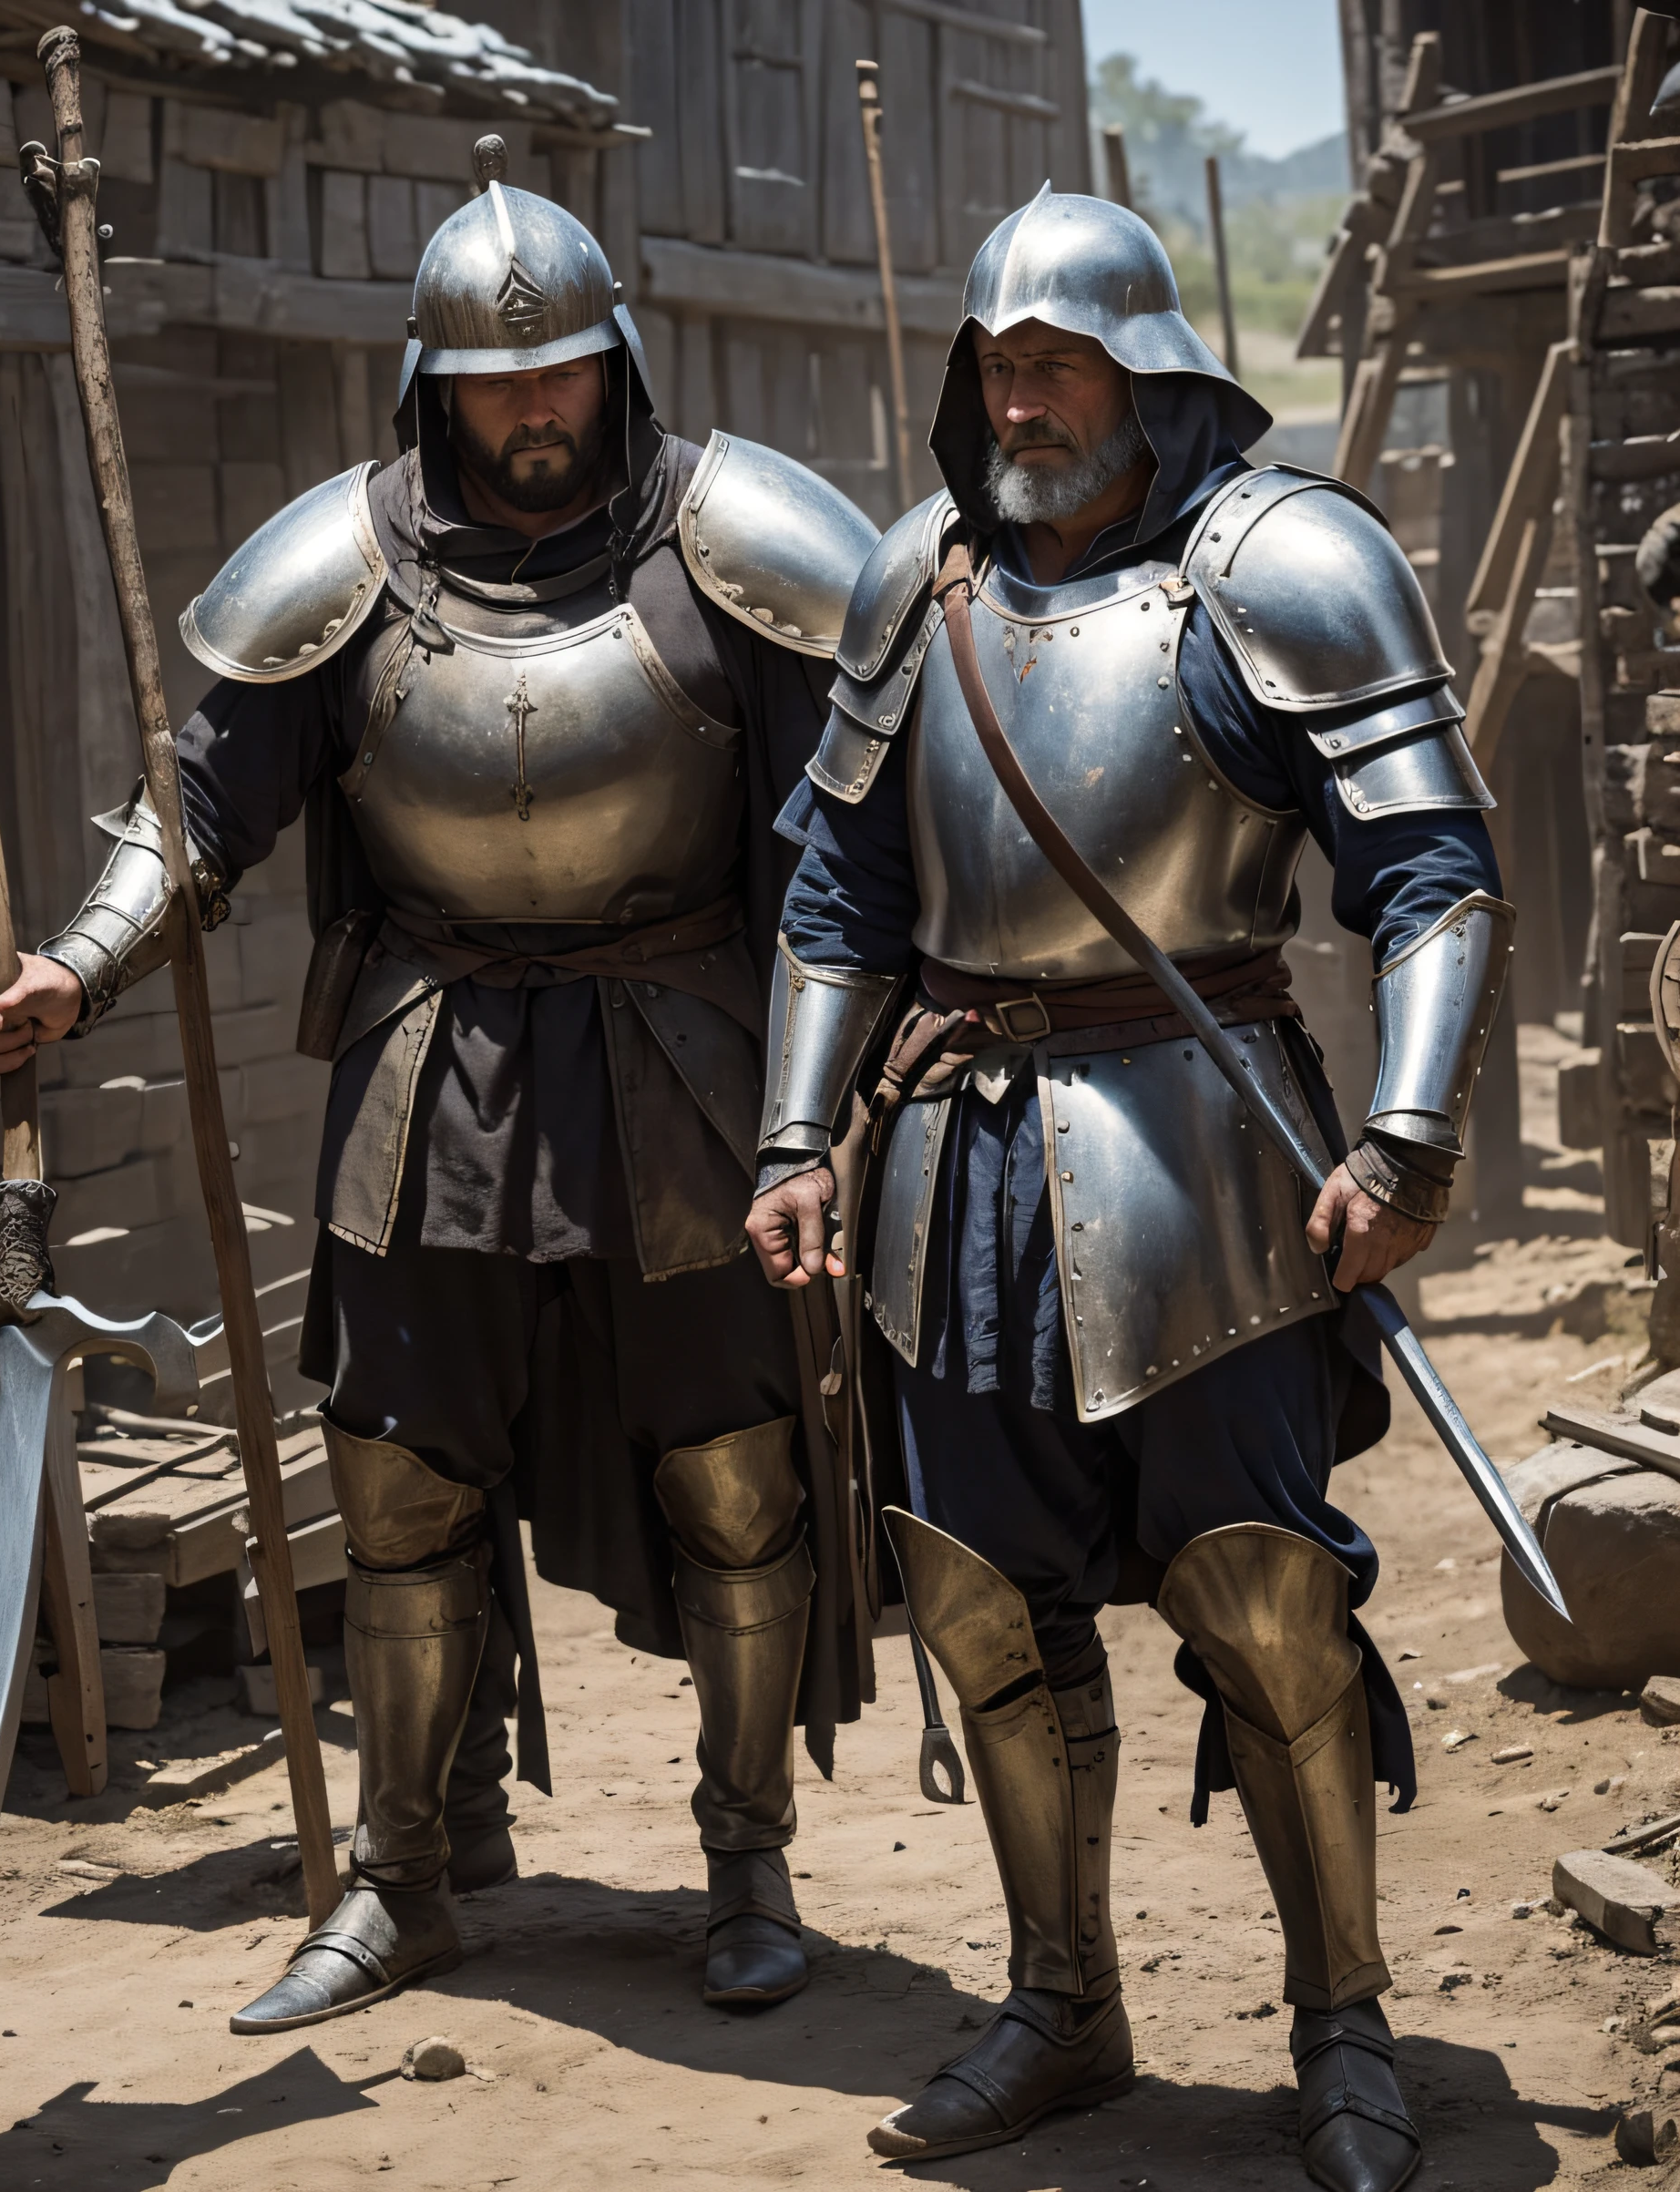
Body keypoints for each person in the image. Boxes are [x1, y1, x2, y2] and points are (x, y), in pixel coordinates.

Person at [0, 138, 880, 2031]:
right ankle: (401, 1878)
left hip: (688, 1071)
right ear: (431, 385)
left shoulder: (735, 537)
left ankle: (748, 1863)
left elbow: (852, 824)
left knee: (731, 1473)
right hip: (430, 1077)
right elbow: (201, 800)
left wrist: (841, 1088)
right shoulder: (345, 560)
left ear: (614, 362)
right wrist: (77, 958)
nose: (531, 411)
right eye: (490, 383)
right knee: (394, 1482)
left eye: (557, 376)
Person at [744, 186, 1510, 2192]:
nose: (1021, 400)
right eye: (997, 365)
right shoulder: (918, 583)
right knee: (983, 1605)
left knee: (1263, 1605)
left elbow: (1431, 875)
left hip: (1204, 1167)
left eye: (1056, 362)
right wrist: (795, 1137)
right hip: (951, 1170)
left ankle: (1345, 2029)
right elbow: (837, 896)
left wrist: (1408, 1137)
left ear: (1146, 371)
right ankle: (1062, 2006)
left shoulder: (1286, 564)